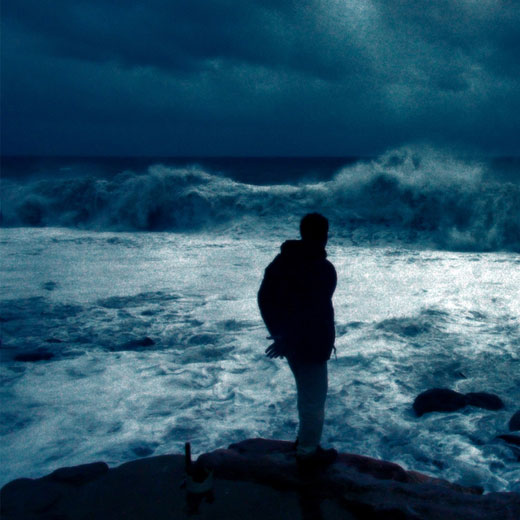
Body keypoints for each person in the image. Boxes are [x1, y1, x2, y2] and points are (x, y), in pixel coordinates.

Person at [258, 213, 337, 468]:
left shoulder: (282, 261)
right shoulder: (321, 268)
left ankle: (304, 443)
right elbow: (311, 311)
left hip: (292, 343)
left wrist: (280, 333)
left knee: (306, 395)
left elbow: (264, 298)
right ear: (324, 235)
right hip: (310, 344)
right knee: (313, 400)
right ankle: (307, 454)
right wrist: (286, 336)